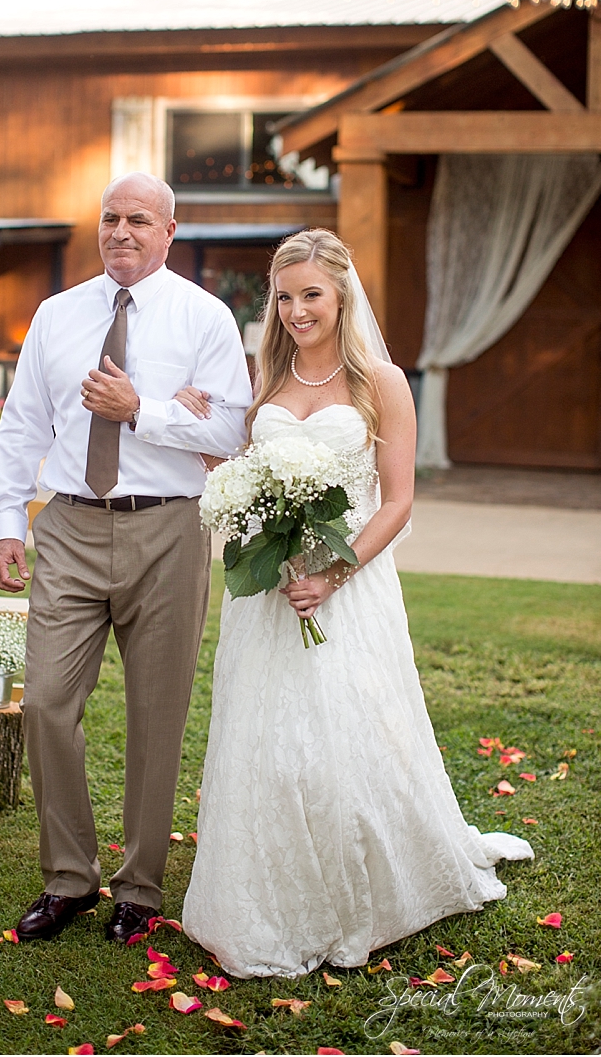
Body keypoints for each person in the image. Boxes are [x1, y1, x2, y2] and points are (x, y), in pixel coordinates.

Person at [181, 228, 533, 978]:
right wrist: (213, 458)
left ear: (341, 295)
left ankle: (364, 890)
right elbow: (250, 479)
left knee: (351, 737)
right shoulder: (266, 381)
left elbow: (397, 502)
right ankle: (266, 894)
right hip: (271, 598)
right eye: (284, 296)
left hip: (351, 590)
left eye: (311, 294)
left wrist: (332, 576)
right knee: (266, 742)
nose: (297, 310)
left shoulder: (382, 380)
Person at [0, 172, 252, 944]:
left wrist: (145, 412)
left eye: (140, 219)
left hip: (167, 530)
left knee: (155, 716)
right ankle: (69, 878)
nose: (122, 231)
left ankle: (140, 886)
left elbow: (233, 430)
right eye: (110, 218)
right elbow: (23, 424)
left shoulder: (204, 318)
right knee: (45, 704)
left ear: (170, 230)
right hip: (68, 526)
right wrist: (9, 521)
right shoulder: (57, 314)